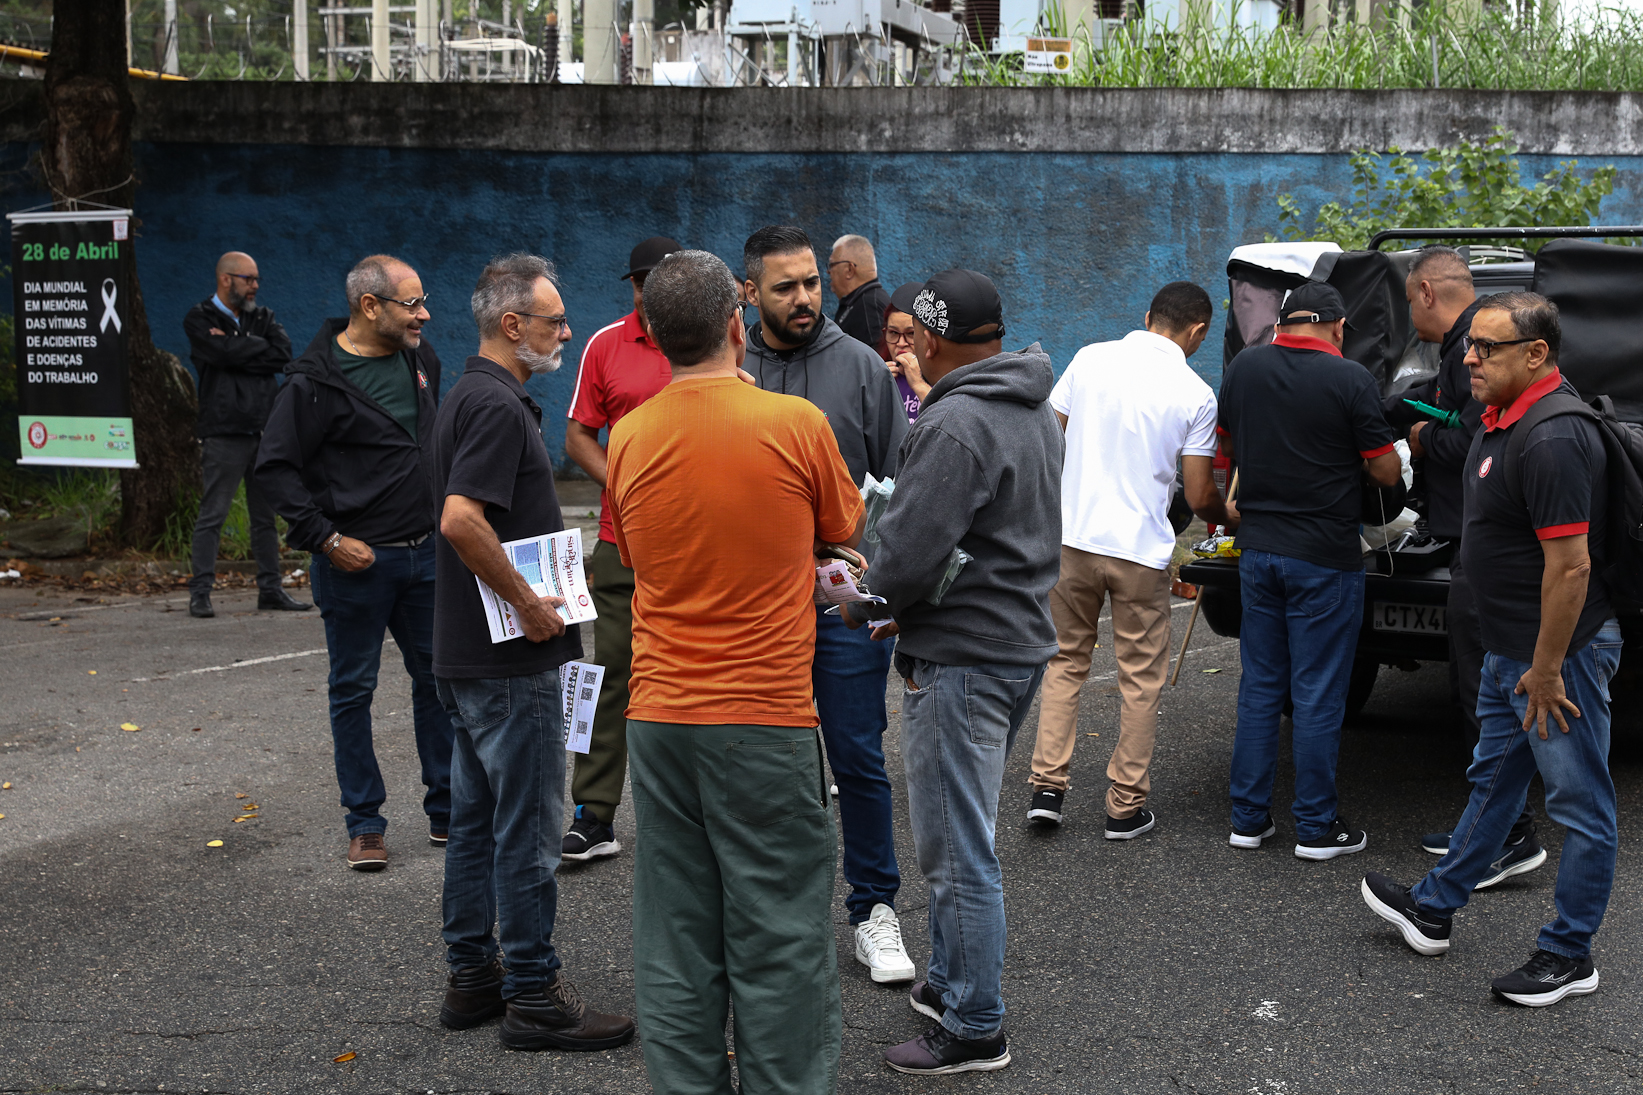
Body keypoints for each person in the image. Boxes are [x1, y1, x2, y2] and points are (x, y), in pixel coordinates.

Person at [609, 249, 862, 1092]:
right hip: (762, 715)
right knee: (780, 930)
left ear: (648, 333)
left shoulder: (630, 435)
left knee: (676, 932)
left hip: (660, 712)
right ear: (735, 323)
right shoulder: (794, 424)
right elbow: (843, 525)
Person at [1362, 291, 1622, 1007]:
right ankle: (1433, 906)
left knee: (1580, 804)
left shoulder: (1551, 437)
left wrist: (1543, 668)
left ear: (1535, 354)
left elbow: (1570, 567)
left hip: (1555, 660)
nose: (1468, 358)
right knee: (1493, 783)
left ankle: (1570, 954)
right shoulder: (1499, 420)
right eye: (1470, 344)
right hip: (1513, 651)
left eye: (1487, 348)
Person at [842, 269, 1062, 1075]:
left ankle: (973, 1023)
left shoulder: (957, 420)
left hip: (964, 657)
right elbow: (992, 535)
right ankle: (948, 984)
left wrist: (861, 598)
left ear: (928, 340)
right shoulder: (1032, 404)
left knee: (957, 849)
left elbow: (902, 553)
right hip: (1011, 645)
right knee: (962, 834)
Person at [428, 253, 635, 1050]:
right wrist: (527, 602)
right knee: (525, 829)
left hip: (466, 657)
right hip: (507, 662)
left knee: (478, 823)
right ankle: (533, 993)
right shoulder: (494, 407)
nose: (566, 330)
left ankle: (474, 977)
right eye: (553, 319)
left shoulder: (466, 396)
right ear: (512, 325)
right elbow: (458, 518)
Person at [742, 225, 915, 984]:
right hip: (752, 609)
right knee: (766, 766)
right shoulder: (727, 372)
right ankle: (775, 921)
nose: (805, 297)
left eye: (812, 281)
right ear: (749, 293)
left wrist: (885, 596)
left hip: (845, 606)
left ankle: (873, 910)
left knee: (857, 756)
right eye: (785, 286)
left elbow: (898, 489)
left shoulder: (859, 368)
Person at [256, 254, 454, 871]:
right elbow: (274, 469)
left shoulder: (422, 361)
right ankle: (365, 823)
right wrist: (325, 538)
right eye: (412, 303)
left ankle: (448, 810)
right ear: (370, 307)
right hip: (356, 567)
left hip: (426, 557)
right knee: (353, 692)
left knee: (439, 684)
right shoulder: (312, 383)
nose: (424, 314)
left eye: (423, 302)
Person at [1027, 281, 1236, 836]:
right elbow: (1197, 496)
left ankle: (1047, 789)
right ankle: (1124, 805)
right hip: (1141, 552)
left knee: (1064, 662)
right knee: (1139, 678)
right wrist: (1232, 514)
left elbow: (1049, 439)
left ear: (1147, 316)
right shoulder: (1196, 393)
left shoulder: (1090, 359)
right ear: (1198, 331)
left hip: (1071, 541)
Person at [1218, 281, 1402, 860]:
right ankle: (1317, 828)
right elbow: (1383, 470)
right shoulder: (1350, 379)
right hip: (1324, 555)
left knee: (1260, 687)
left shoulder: (1245, 368)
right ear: (1338, 327)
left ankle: (1248, 820)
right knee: (1320, 693)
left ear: (1284, 323)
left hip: (1258, 551)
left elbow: (1227, 450)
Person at [1394, 247, 1546, 880]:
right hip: (1475, 545)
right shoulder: (1467, 350)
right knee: (1480, 690)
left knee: (1483, 693)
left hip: (1485, 554)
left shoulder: (1472, 350)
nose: (1477, 362)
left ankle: (1507, 836)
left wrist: (1423, 437)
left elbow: (1472, 438)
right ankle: (1494, 828)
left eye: (1407, 301)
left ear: (1428, 292)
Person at [560, 235, 681, 865]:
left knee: (702, 674)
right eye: (639, 282)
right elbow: (579, 434)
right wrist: (622, 482)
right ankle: (592, 812)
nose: (648, 292)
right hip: (621, 541)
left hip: (698, 546)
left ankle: (703, 812)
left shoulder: (713, 336)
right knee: (605, 674)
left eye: (661, 280)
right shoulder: (606, 344)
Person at [182, 251, 306, 618]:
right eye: (248, 279)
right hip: (223, 430)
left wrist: (235, 349)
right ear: (226, 279)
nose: (254, 286)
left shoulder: (262, 317)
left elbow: (281, 355)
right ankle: (200, 592)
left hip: (263, 427)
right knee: (213, 514)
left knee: (265, 517)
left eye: (256, 279)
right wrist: (250, 349)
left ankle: (271, 589)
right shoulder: (199, 318)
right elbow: (218, 354)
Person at [829, 233, 892, 356]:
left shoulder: (869, 306)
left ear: (849, 269)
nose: (828, 271)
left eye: (832, 265)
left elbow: (875, 364)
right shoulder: (861, 301)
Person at [884, 281, 928, 423]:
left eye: (911, 334)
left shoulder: (944, 378)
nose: (901, 343)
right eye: (893, 333)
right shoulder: (881, 374)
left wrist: (918, 384)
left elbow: (953, 425)